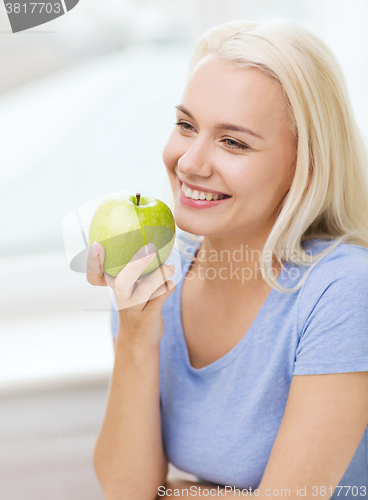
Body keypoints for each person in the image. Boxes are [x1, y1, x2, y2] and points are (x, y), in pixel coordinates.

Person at [86, 18, 368, 500]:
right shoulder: (152, 277)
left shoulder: (343, 290)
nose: (191, 162)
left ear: (306, 165)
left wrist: (173, 493)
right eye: (186, 126)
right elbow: (126, 490)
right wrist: (136, 330)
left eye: (233, 141)